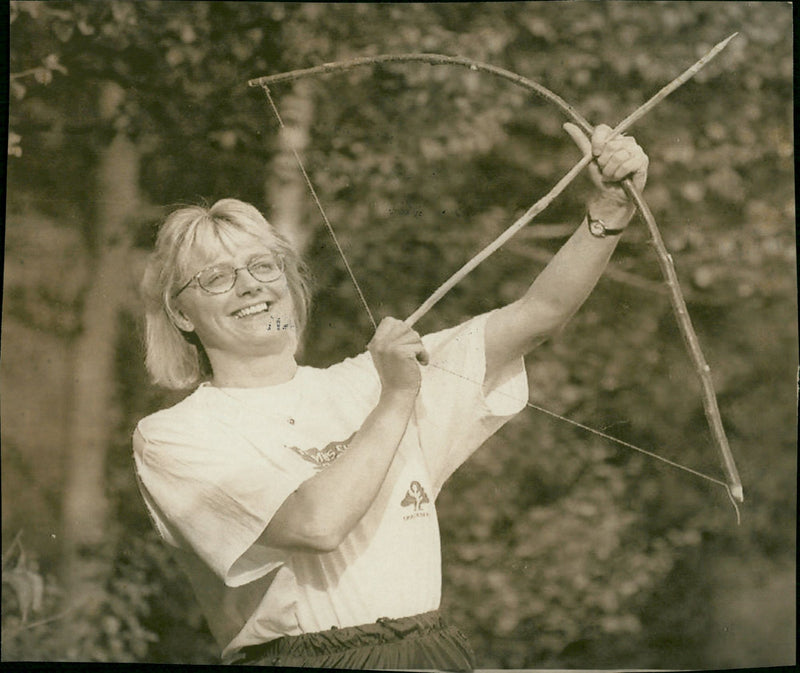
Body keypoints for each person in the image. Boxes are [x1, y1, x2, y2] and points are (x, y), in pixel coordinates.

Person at [133, 123, 648, 669]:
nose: (251, 286)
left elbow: (536, 317)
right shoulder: (174, 435)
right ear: (181, 314)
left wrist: (609, 213)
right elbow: (316, 525)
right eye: (216, 277)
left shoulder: (364, 380)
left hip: (430, 652)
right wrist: (397, 398)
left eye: (263, 266)